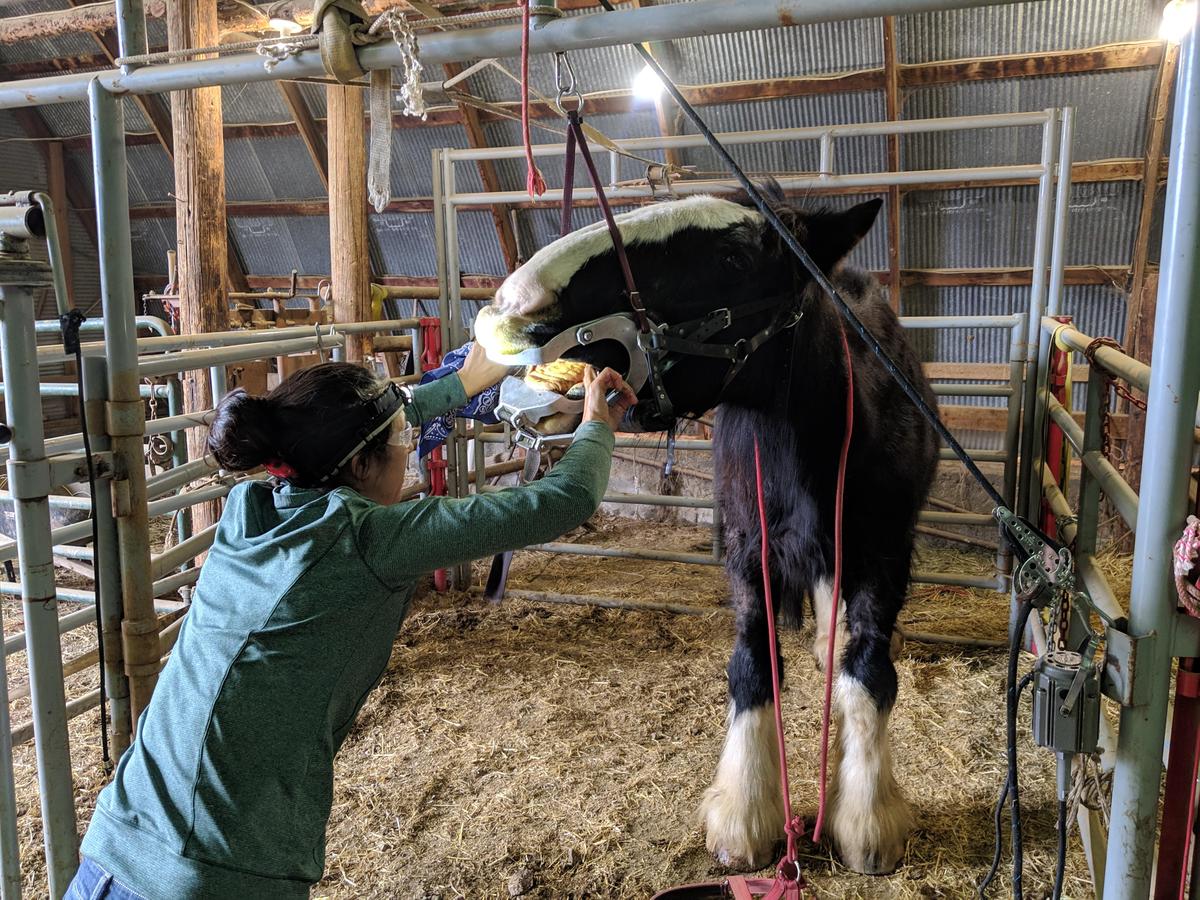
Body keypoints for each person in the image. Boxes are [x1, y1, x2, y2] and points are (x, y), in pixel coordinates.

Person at [68, 344, 637, 899]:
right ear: (363, 464)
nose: (408, 449)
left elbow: (370, 423)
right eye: (401, 443)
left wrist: (465, 380)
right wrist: (594, 424)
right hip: (216, 872)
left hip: (115, 843)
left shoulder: (249, 509)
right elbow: (564, 499)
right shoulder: (368, 539)